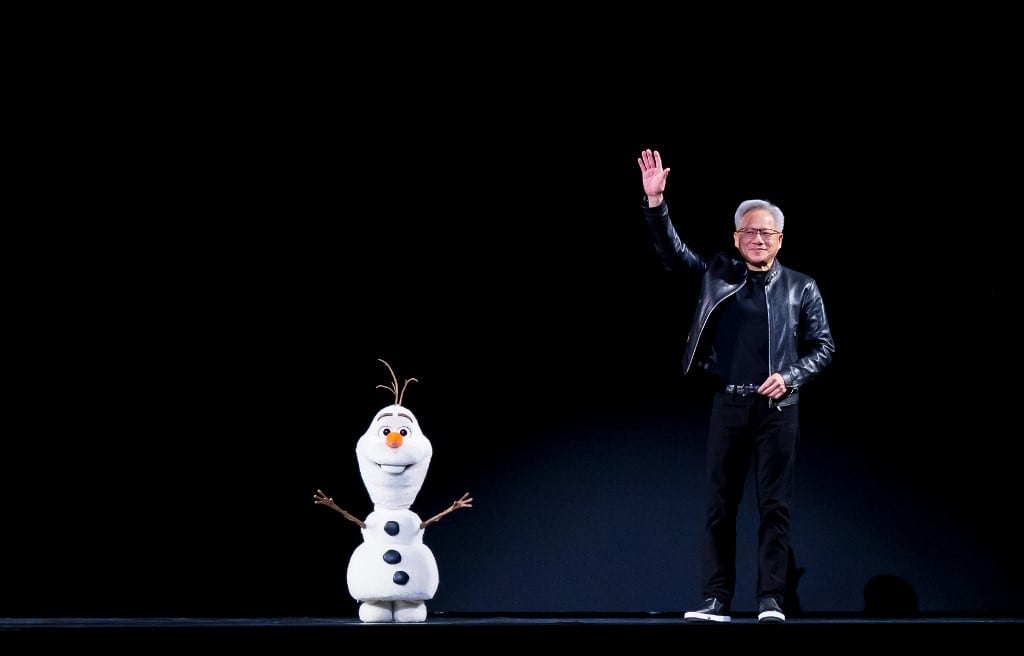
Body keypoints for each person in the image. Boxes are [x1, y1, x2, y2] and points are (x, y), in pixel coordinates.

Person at [637, 148, 835, 624]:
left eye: (766, 232)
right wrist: (657, 203)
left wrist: (789, 376)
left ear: (780, 239)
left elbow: (824, 346)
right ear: (736, 236)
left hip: (779, 411)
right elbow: (673, 253)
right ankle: (715, 601)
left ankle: (770, 600)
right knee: (719, 509)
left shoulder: (802, 287)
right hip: (729, 405)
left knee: (774, 509)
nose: (757, 238)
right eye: (749, 230)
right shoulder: (719, 274)